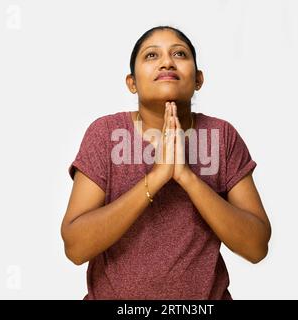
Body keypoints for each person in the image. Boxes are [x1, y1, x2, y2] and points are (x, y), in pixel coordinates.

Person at [61, 26, 271, 300]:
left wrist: (187, 177)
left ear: (198, 79)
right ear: (132, 83)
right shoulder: (106, 134)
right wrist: (157, 176)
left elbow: (256, 247)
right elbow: (75, 248)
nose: (167, 62)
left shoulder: (221, 136)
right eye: (151, 56)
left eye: (179, 54)